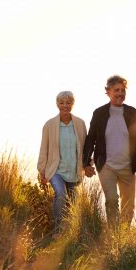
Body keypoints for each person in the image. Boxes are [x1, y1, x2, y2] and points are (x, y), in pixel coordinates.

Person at [83, 75, 136, 225]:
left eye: (123, 90)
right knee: (112, 200)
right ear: (108, 92)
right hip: (106, 165)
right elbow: (90, 138)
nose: (120, 93)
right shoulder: (99, 113)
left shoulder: (132, 113)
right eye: (116, 90)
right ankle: (113, 236)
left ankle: (123, 238)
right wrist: (86, 163)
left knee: (128, 205)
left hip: (128, 166)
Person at [38, 91, 87, 235]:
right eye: (62, 102)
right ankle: (58, 229)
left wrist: (88, 164)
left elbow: (85, 147)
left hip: (73, 170)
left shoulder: (79, 124)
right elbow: (43, 148)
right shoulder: (49, 125)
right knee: (60, 194)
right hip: (55, 170)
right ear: (57, 104)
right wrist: (42, 170)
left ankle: (71, 231)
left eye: (68, 102)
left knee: (73, 202)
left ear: (73, 104)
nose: (65, 105)